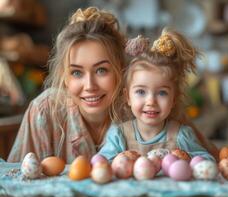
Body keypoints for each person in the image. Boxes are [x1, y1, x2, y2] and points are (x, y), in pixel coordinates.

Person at [7, 7, 126, 164]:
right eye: (77, 73)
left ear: (121, 70)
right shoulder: (45, 110)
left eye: (101, 70)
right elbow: (17, 182)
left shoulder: (137, 111)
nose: (90, 86)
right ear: (64, 77)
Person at [99, 29, 215, 162]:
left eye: (161, 93)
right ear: (127, 97)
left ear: (174, 99)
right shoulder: (119, 136)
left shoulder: (180, 136)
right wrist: (118, 161)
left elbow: (207, 162)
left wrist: (185, 161)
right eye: (141, 92)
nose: (151, 101)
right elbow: (100, 164)